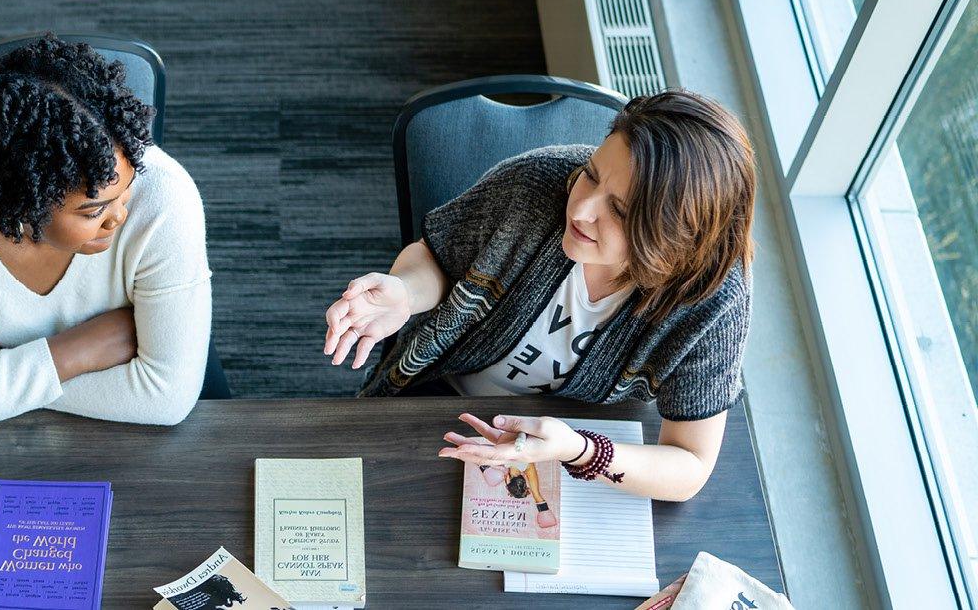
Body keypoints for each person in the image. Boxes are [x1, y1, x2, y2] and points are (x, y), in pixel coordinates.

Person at [323, 90, 755, 501]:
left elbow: (690, 464)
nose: (581, 208)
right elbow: (438, 254)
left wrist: (578, 449)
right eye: (591, 174)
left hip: (573, 437)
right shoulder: (538, 183)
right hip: (438, 398)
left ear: (677, 240)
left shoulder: (713, 299)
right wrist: (406, 292)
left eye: (619, 212)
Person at [0, 34, 211, 445]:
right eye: (93, 210)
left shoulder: (165, 198)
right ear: (20, 204)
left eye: (126, 188)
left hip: (149, 441)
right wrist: (72, 353)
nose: (120, 216)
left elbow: (165, 400)